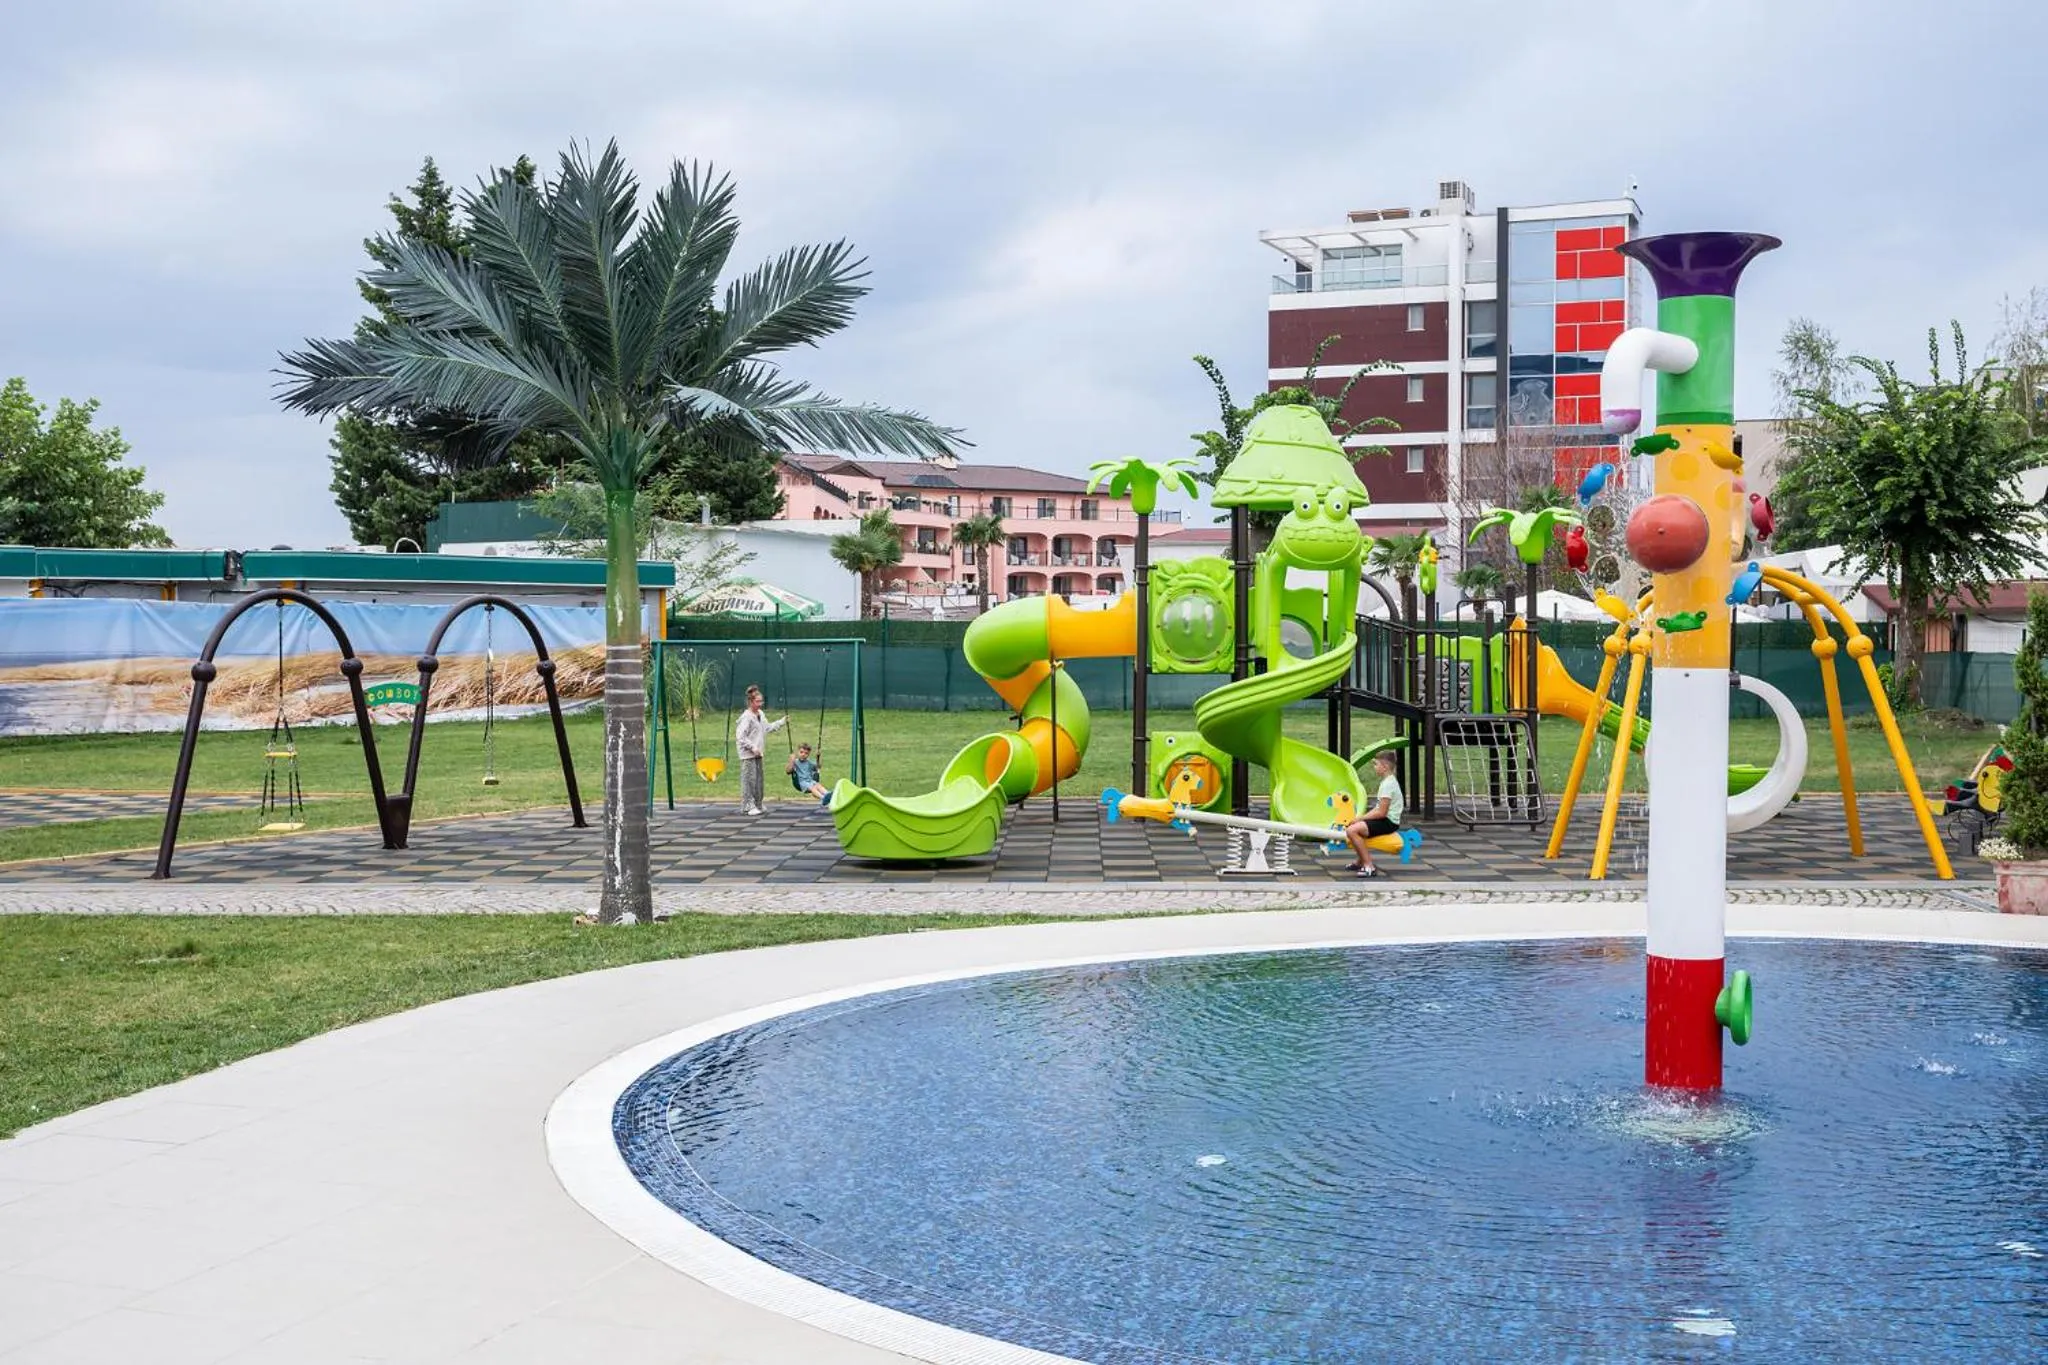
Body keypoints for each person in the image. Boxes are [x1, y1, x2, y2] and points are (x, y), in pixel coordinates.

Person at [1344, 751, 1405, 877]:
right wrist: (1361, 819)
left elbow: (1381, 813)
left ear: (1385, 767)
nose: (1374, 767)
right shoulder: (1388, 781)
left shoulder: (1388, 785)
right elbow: (1378, 809)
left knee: (1352, 831)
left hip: (1389, 822)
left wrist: (1359, 819)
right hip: (1385, 819)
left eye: (1376, 764)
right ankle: (1360, 862)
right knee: (1356, 827)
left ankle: (1369, 866)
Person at [735, 684, 786, 816]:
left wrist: (781, 722)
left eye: (761, 701)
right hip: (748, 754)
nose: (760, 704)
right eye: (757, 701)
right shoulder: (746, 717)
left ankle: (758, 803)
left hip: (758, 753)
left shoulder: (761, 714)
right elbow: (740, 736)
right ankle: (747, 805)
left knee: (758, 780)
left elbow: (767, 728)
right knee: (749, 780)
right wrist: (752, 747)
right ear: (750, 702)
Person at [787, 742, 831, 809]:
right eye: (801, 752)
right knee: (812, 788)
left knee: (818, 785)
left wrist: (818, 757)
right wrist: (791, 760)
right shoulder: (795, 762)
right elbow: (788, 771)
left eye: (806, 753)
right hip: (801, 783)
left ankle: (828, 794)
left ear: (808, 754)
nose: (803, 754)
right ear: (798, 752)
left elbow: (818, 766)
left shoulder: (809, 762)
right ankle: (823, 798)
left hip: (810, 781)